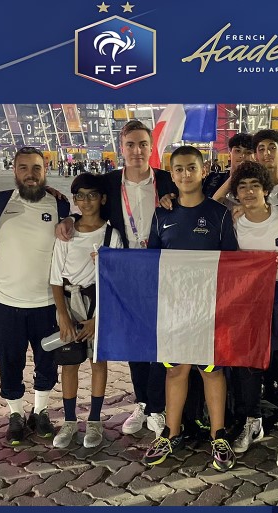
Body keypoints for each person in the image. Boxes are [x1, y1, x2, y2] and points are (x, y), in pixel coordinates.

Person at [56, 120, 178, 438]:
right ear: (121, 148)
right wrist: (68, 217)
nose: (137, 151)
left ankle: (157, 407)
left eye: (142, 144)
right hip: (124, 271)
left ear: (151, 147)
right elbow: (86, 204)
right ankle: (142, 403)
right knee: (134, 340)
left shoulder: (168, 180)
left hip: (161, 269)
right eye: (130, 145)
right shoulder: (109, 182)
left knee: (160, 339)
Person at [142, 146, 238, 471]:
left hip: (209, 308)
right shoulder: (162, 214)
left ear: (204, 170)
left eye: (191, 168)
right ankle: (170, 433)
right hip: (174, 309)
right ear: (172, 175)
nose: (185, 174)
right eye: (179, 169)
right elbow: (151, 263)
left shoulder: (219, 214)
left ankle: (218, 435)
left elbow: (233, 265)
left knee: (211, 371)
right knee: (176, 370)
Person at [0, 146, 71, 446]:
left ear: (45, 170)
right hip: (5, 302)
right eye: (23, 168)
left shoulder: (59, 204)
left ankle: (40, 411)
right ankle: (15, 413)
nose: (30, 174)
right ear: (14, 171)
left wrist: (71, 220)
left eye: (36, 168)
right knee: (9, 361)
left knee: (47, 362)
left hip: (46, 303)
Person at [229, 161, 278, 469]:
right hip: (248, 306)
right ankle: (252, 421)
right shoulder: (233, 225)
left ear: (266, 190)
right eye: (242, 187)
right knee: (248, 369)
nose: (249, 192)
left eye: (255, 186)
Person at [50, 173, 123, 449]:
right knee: (69, 363)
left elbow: (115, 281)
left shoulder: (111, 235)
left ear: (102, 199)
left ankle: (94, 420)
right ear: (75, 200)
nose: (86, 201)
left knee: (97, 362)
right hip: (69, 304)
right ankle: (69, 420)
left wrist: (98, 319)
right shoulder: (66, 233)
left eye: (92, 195)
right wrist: (63, 316)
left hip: (98, 304)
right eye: (80, 196)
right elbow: (56, 278)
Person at [204, 133, 254, 201]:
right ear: (230, 153)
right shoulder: (213, 179)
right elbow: (208, 205)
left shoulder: (258, 183)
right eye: (237, 151)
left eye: (248, 152)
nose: (242, 156)